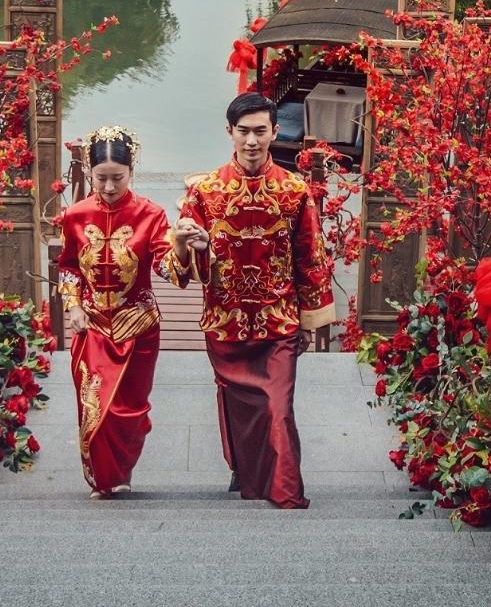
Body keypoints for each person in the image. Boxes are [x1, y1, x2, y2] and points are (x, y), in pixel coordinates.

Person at [163, 92, 334, 509]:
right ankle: (243, 469)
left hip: (279, 321)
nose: (252, 141)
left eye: (261, 131)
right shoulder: (204, 192)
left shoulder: (294, 190)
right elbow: (177, 269)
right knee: (238, 405)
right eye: (244, 132)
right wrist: (193, 247)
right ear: (230, 133)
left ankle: (286, 491)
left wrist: (312, 323)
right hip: (226, 321)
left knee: (278, 408)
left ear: (275, 131)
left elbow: (310, 256)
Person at [54, 125, 172, 500]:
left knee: (130, 410)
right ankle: (104, 480)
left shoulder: (151, 215)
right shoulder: (75, 215)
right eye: (100, 178)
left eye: (117, 178)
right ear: (89, 173)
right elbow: (69, 266)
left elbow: (167, 266)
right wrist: (72, 305)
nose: (108, 187)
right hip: (92, 326)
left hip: (137, 324)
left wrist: (184, 249)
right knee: (95, 406)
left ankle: (124, 468)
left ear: (131, 172)